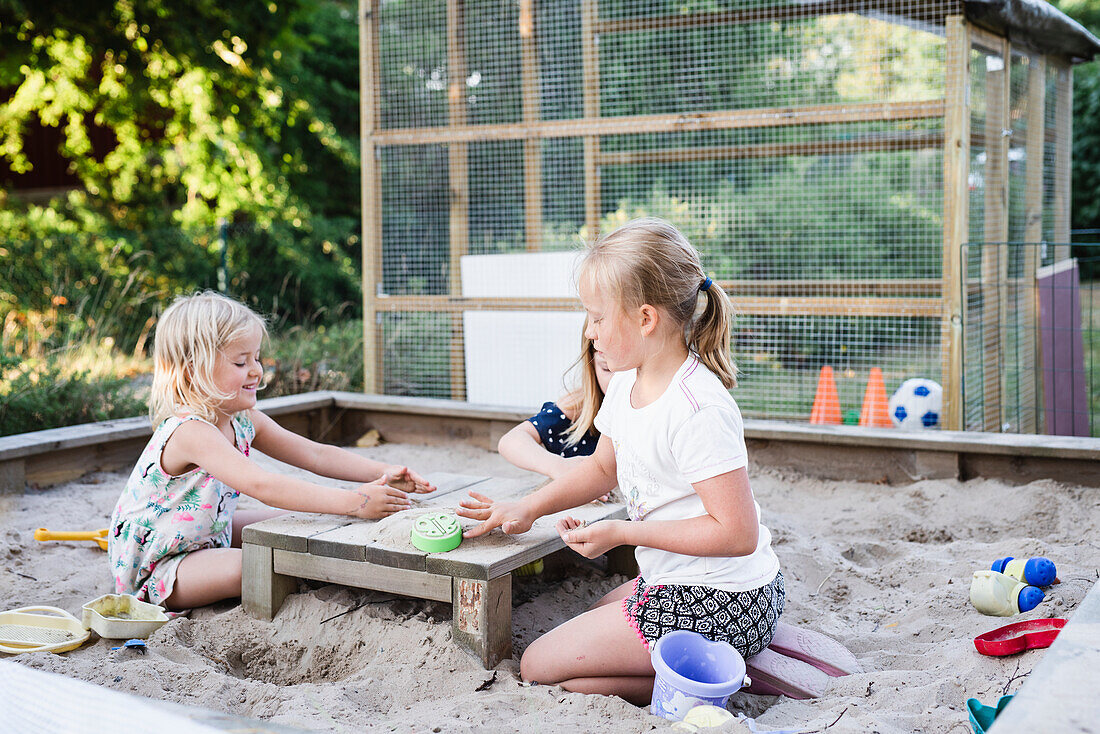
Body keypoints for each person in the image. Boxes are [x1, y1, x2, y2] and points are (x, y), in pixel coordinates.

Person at [457, 217, 783, 704]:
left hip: (730, 599)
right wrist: (527, 509)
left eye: (597, 317)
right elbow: (600, 469)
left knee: (537, 666)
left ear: (645, 318)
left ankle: (706, 679)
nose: (590, 333)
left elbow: (737, 534)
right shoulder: (629, 380)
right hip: (674, 581)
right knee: (593, 620)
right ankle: (686, 671)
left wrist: (623, 532)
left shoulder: (697, 408)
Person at [108, 292, 434, 611]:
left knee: (308, 520)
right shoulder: (191, 431)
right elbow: (263, 486)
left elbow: (316, 455)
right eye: (240, 361)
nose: (256, 370)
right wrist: (357, 502)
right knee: (262, 562)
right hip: (160, 562)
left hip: (205, 529)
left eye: (256, 357)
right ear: (193, 370)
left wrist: (384, 472)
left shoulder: (244, 420)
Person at [497, 332, 613, 480]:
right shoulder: (578, 406)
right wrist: (557, 466)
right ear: (591, 363)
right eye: (606, 369)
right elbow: (511, 441)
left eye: (631, 372)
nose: (619, 382)